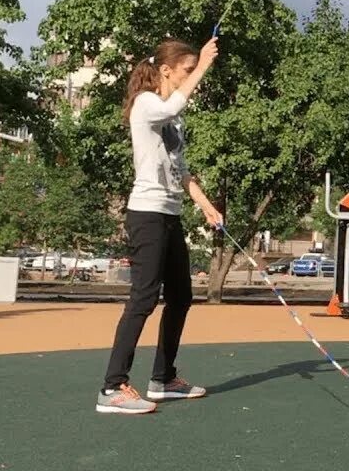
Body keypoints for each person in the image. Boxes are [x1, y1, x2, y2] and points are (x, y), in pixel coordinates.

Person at [96, 38, 222, 415]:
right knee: (144, 298)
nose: (190, 77)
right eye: (184, 70)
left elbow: (180, 170)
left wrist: (205, 205)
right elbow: (173, 102)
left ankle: (163, 380)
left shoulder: (173, 118)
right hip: (146, 214)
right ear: (166, 71)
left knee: (181, 297)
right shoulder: (148, 104)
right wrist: (202, 66)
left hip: (170, 214)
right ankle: (112, 387)